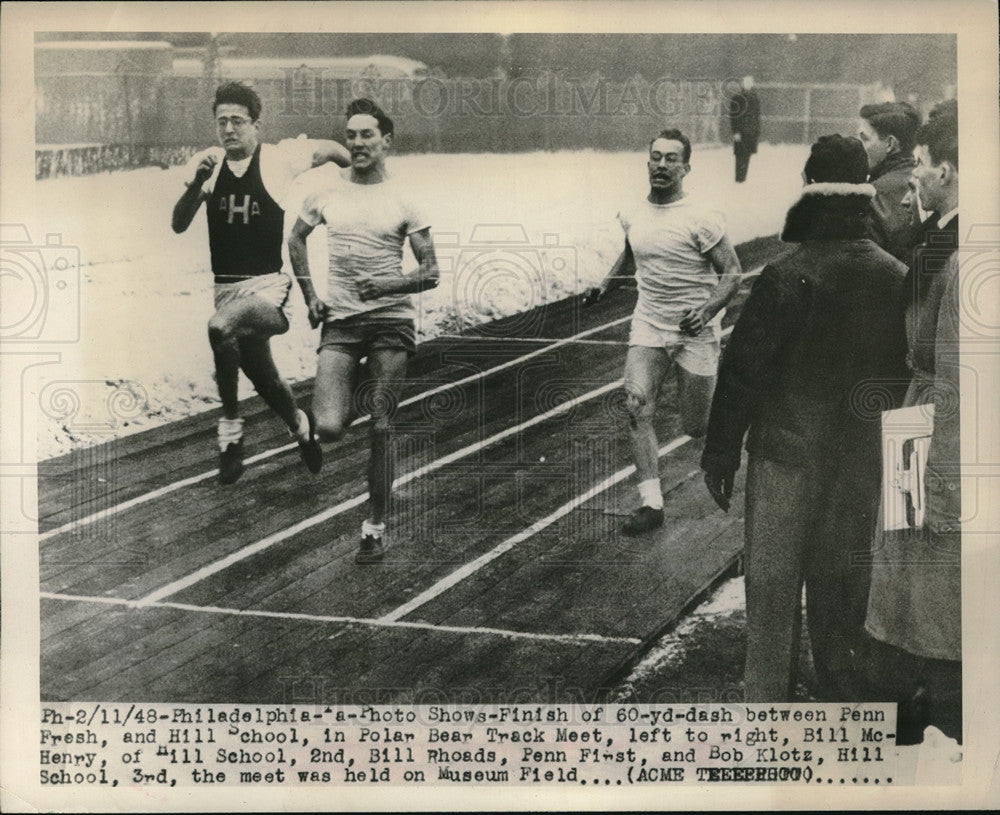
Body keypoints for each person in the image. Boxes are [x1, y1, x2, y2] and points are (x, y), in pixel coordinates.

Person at [700, 135, 910, 702]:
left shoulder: (786, 274)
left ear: (809, 193)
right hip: (862, 463)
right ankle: (840, 704)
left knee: (771, 594)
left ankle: (765, 709)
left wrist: (720, 452)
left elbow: (743, 373)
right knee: (842, 595)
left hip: (786, 458)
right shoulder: (895, 275)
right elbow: (905, 381)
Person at [172, 81, 351, 484]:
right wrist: (193, 186)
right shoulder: (208, 163)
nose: (229, 129)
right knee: (263, 376)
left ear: (256, 124)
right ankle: (301, 427)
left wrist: (355, 176)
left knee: (219, 329)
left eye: (238, 121)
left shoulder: (278, 158)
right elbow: (178, 224)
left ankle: (231, 435)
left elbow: (332, 150)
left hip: (269, 289)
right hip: (227, 290)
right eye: (222, 122)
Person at [288, 99, 440, 565]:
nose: (357, 143)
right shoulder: (326, 194)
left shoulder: (405, 199)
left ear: (386, 142)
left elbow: (431, 271)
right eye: (350, 135)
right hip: (342, 323)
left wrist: (389, 284)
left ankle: (373, 528)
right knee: (330, 429)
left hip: (391, 323)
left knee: (382, 425)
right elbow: (295, 239)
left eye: (367, 135)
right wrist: (311, 295)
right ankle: (351, 393)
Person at [585, 129, 742, 536]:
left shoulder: (701, 217)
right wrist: (606, 284)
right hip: (650, 323)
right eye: (656, 156)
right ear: (647, 162)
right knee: (636, 405)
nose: (661, 164)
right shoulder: (633, 211)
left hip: (695, 330)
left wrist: (706, 311)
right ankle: (650, 502)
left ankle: (732, 397)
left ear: (686, 168)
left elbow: (733, 273)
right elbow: (632, 253)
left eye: (672, 159)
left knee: (697, 427)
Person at [864, 111, 961, 744]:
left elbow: (958, 383)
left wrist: (944, 490)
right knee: (896, 582)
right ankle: (912, 702)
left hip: (931, 423)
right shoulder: (939, 236)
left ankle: (940, 727)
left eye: (920, 165)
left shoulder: (960, 254)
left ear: (946, 170)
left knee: (931, 590)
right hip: (913, 416)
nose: (911, 179)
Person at [857, 101, 923, 263]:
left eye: (864, 139)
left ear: (890, 144)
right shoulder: (925, 184)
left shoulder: (872, 194)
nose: (858, 147)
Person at [727, 76, 761, 183]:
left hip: (751, 132)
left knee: (747, 155)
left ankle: (743, 179)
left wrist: (757, 130)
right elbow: (734, 116)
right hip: (741, 132)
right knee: (740, 155)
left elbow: (757, 116)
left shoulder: (755, 98)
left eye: (750, 83)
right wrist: (736, 131)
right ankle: (739, 179)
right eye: (746, 83)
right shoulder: (737, 98)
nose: (748, 85)